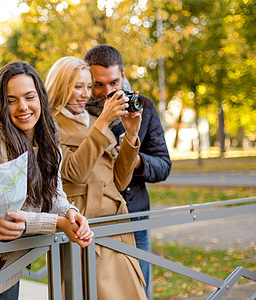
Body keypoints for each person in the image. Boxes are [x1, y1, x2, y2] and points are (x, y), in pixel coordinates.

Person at [0, 61, 94, 300]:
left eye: (29, 97)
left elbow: (55, 193)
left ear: (41, 98)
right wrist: (58, 223)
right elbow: (2, 218)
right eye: (11, 100)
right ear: (1, 104)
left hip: (9, 271)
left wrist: (70, 213)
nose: (23, 107)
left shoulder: (48, 142)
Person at [45, 56, 146, 299]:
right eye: (77, 86)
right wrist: (102, 122)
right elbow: (74, 173)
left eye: (88, 87)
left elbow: (120, 182)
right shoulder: (49, 125)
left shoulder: (91, 120)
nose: (85, 94)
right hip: (86, 225)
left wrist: (131, 136)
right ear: (61, 86)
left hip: (117, 224)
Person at [84, 45, 172, 295]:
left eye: (113, 82)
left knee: (139, 292)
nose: (107, 92)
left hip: (133, 219)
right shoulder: (78, 109)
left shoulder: (144, 106)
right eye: (97, 85)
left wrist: (135, 160)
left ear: (123, 75)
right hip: (91, 221)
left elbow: (164, 165)